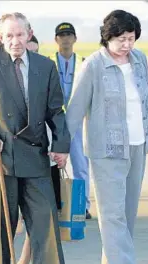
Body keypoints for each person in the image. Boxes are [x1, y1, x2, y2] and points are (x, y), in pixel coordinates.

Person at [0, 12, 82, 264]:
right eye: (8, 36)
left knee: (45, 219)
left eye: (19, 35)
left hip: (36, 154)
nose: (15, 41)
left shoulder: (45, 65)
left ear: (29, 34)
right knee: (3, 222)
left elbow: (56, 110)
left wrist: (62, 146)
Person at [66, 10, 148, 264]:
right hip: (106, 150)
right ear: (107, 38)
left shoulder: (139, 60)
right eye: (121, 40)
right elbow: (75, 109)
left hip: (138, 144)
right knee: (112, 214)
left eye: (131, 38)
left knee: (126, 214)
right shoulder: (93, 66)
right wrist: (61, 148)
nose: (127, 45)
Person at [49, 22, 92, 219]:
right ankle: (55, 204)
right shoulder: (49, 63)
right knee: (52, 165)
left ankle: (82, 206)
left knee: (81, 165)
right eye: (62, 35)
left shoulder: (84, 63)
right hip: (55, 124)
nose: (65, 38)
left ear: (75, 38)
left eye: (69, 35)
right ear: (56, 39)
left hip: (77, 122)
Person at [14, 34, 41, 264]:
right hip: (14, 153)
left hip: (43, 153)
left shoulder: (43, 72)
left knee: (40, 215)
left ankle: (24, 262)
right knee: (13, 217)